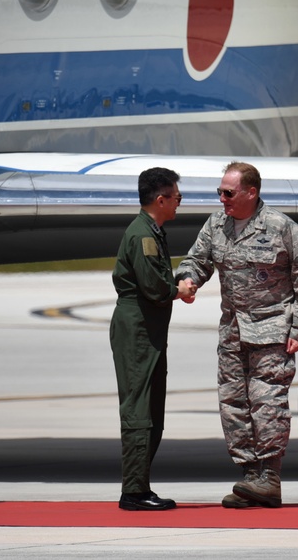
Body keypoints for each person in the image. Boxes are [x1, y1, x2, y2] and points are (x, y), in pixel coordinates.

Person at [176, 161, 298, 509]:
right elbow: (198, 259)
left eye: (228, 192)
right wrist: (188, 278)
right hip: (233, 331)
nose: (222, 199)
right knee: (233, 403)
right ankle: (250, 476)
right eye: (220, 192)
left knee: (267, 402)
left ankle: (269, 476)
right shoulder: (217, 224)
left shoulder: (280, 227)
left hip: (272, 330)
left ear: (251, 192)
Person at [110, 167, 197, 511]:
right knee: (139, 410)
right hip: (138, 330)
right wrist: (179, 289)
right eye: (176, 197)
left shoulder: (153, 232)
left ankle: (140, 485)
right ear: (160, 200)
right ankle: (133, 490)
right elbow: (154, 287)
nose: (179, 203)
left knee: (151, 409)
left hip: (148, 330)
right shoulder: (144, 236)